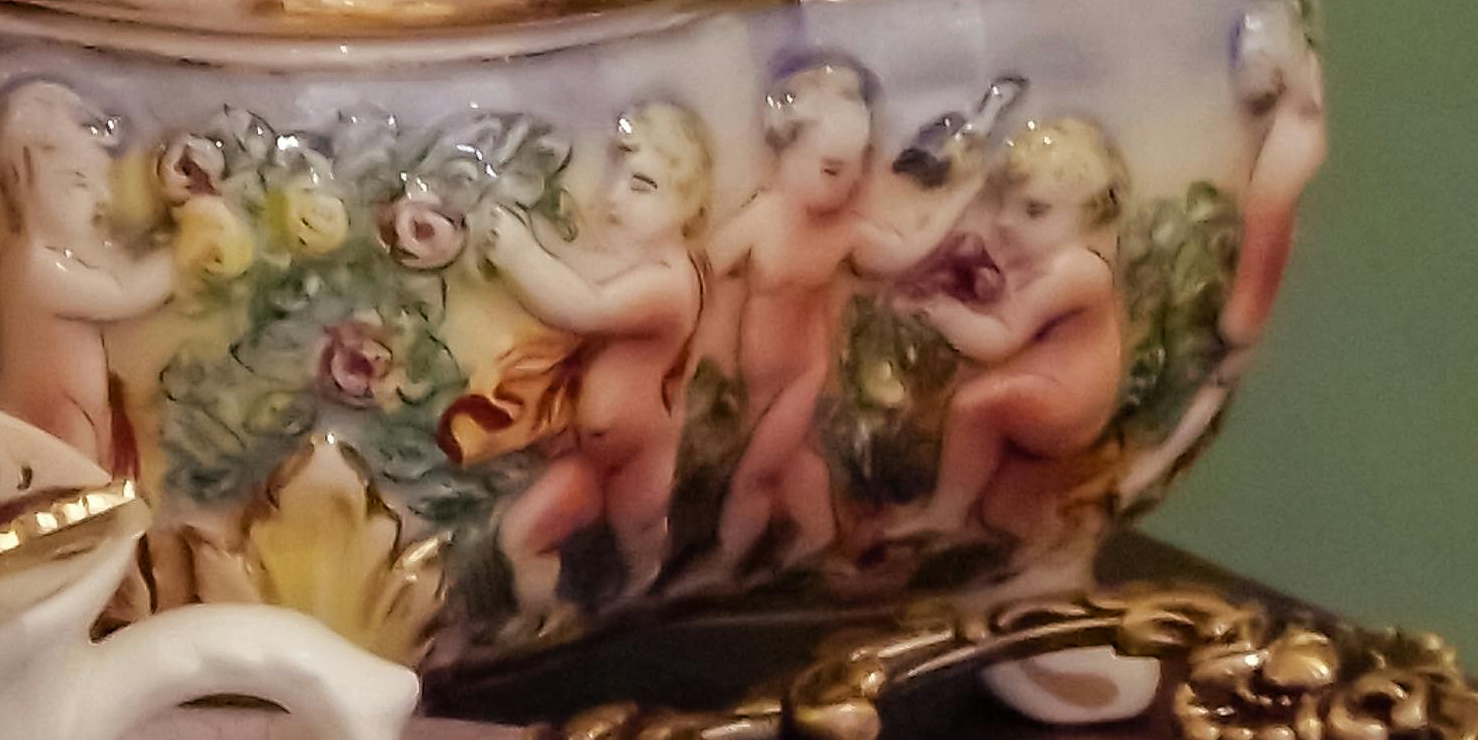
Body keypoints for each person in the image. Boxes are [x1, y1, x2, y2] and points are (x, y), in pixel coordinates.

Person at [699, 53, 1007, 581]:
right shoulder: (764, 217)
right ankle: (818, 539)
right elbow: (703, 271)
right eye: (830, 169)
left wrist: (962, 195)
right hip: (757, 379)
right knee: (796, 463)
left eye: (858, 165)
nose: (847, 184)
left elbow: (905, 251)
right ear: (784, 156)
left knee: (754, 476)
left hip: (801, 372)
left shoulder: (845, 230)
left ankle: (723, 567)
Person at [459, 100, 714, 615]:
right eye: (615, 180)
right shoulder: (628, 259)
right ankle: (552, 624)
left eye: (642, 185)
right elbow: (579, 270)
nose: (615, 198)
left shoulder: (670, 284)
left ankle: (642, 621)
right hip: (589, 457)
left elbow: (583, 307)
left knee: (638, 551)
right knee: (520, 539)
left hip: (638, 460)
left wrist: (520, 254)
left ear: (691, 204)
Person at [909, 112, 1132, 553]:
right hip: (1051, 380)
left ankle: (947, 512)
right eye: (1006, 203)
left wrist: (944, 314)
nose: (1007, 222)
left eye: (1034, 210)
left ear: (1088, 216)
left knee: (975, 407)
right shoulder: (1048, 259)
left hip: (1067, 400)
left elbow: (999, 338)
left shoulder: (1076, 270)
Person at [0, 80, 180, 472]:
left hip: (78, 410)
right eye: (80, 182)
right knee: (71, 496)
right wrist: (184, 254)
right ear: (24, 181)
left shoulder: (59, 251)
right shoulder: (35, 268)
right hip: (46, 419)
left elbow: (120, 264)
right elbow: (124, 292)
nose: (103, 198)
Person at [1223, 0, 1329, 350]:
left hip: (1297, 126)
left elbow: (1261, 86)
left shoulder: (1297, 127)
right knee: (1265, 214)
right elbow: (1257, 87)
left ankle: (1244, 317)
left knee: (1268, 210)